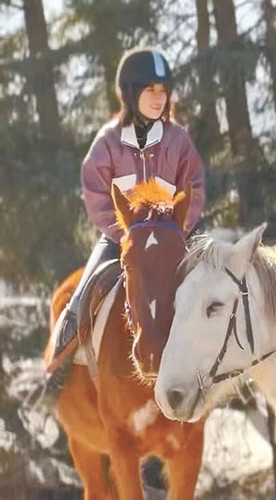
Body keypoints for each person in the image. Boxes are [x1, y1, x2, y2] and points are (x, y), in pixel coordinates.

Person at [46, 47, 206, 395]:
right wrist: (126, 233)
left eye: (163, 91)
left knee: (216, 288)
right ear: (131, 95)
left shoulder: (178, 140)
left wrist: (177, 232)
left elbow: (194, 187)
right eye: (150, 90)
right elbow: (94, 192)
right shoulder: (108, 142)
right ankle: (57, 376)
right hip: (120, 239)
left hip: (173, 239)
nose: (158, 98)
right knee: (79, 297)